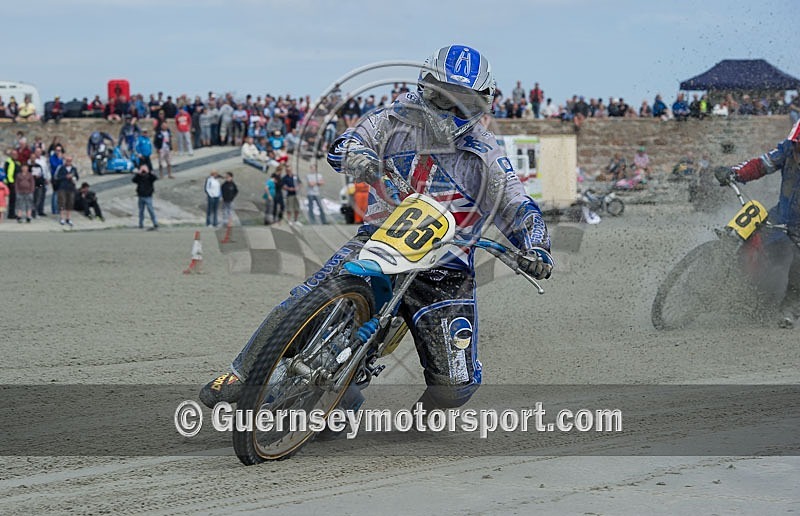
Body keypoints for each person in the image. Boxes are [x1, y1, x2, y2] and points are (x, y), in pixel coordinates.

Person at [199, 45, 553, 415]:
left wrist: (536, 246)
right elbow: (344, 144)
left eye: (463, 103)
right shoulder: (391, 120)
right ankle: (241, 374)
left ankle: (425, 414)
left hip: (445, 265)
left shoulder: (486, 154)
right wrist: (361, 159)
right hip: (380, 238)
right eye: (442, 98)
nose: (450, 111)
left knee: (454, 385)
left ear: (482, 103)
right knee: (305, 298)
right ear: (424, 88)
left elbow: (516, 203)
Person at [716, 120, 800, 328]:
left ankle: (791, 307)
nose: (798, 150)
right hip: (780, 215)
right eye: (797, 144)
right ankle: (719, 265)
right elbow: (761, 164)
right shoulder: (787, 150)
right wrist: (734, 173)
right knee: (751, 225)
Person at [53, 155, 79, 226]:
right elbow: (57, 177)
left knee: (70, 203)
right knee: (62, 202)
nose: (68, 162)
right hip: (62, 188)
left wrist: (73, 178)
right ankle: (62, 218)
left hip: (71, 188)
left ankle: (68, 218)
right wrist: (65, 177)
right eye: (67, 161)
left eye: (70, 161)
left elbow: (77, 177)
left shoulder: (74, 169)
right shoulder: (61, 168)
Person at [132, 165, 158, 230]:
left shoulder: (150, 177)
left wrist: (148, 172)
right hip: (141, 196)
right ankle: (141, 224)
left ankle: (155, 223)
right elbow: (133, 180)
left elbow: (155, 178)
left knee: (150, 210)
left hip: (148, 196)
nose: (143, 171)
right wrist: (138, 173)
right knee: (141, 211)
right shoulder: (139, 177)